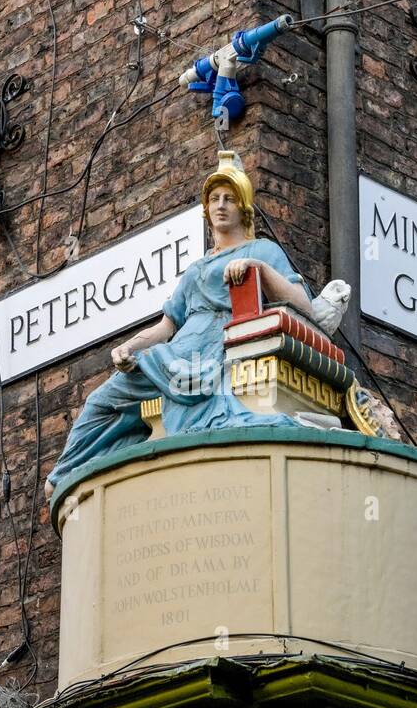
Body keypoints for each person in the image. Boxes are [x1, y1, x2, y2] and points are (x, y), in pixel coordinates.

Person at [45, 151, 315, 497]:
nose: (220, 205)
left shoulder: (262, 250)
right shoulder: (196, 269)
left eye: (229, 199)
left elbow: (303, 303)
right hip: (172, 351)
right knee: (101, 400)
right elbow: (166, 325)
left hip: (212, 348)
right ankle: (68, 476)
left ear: (243, 207)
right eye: (214, 199)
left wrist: (257, 270)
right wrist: (129, 347)